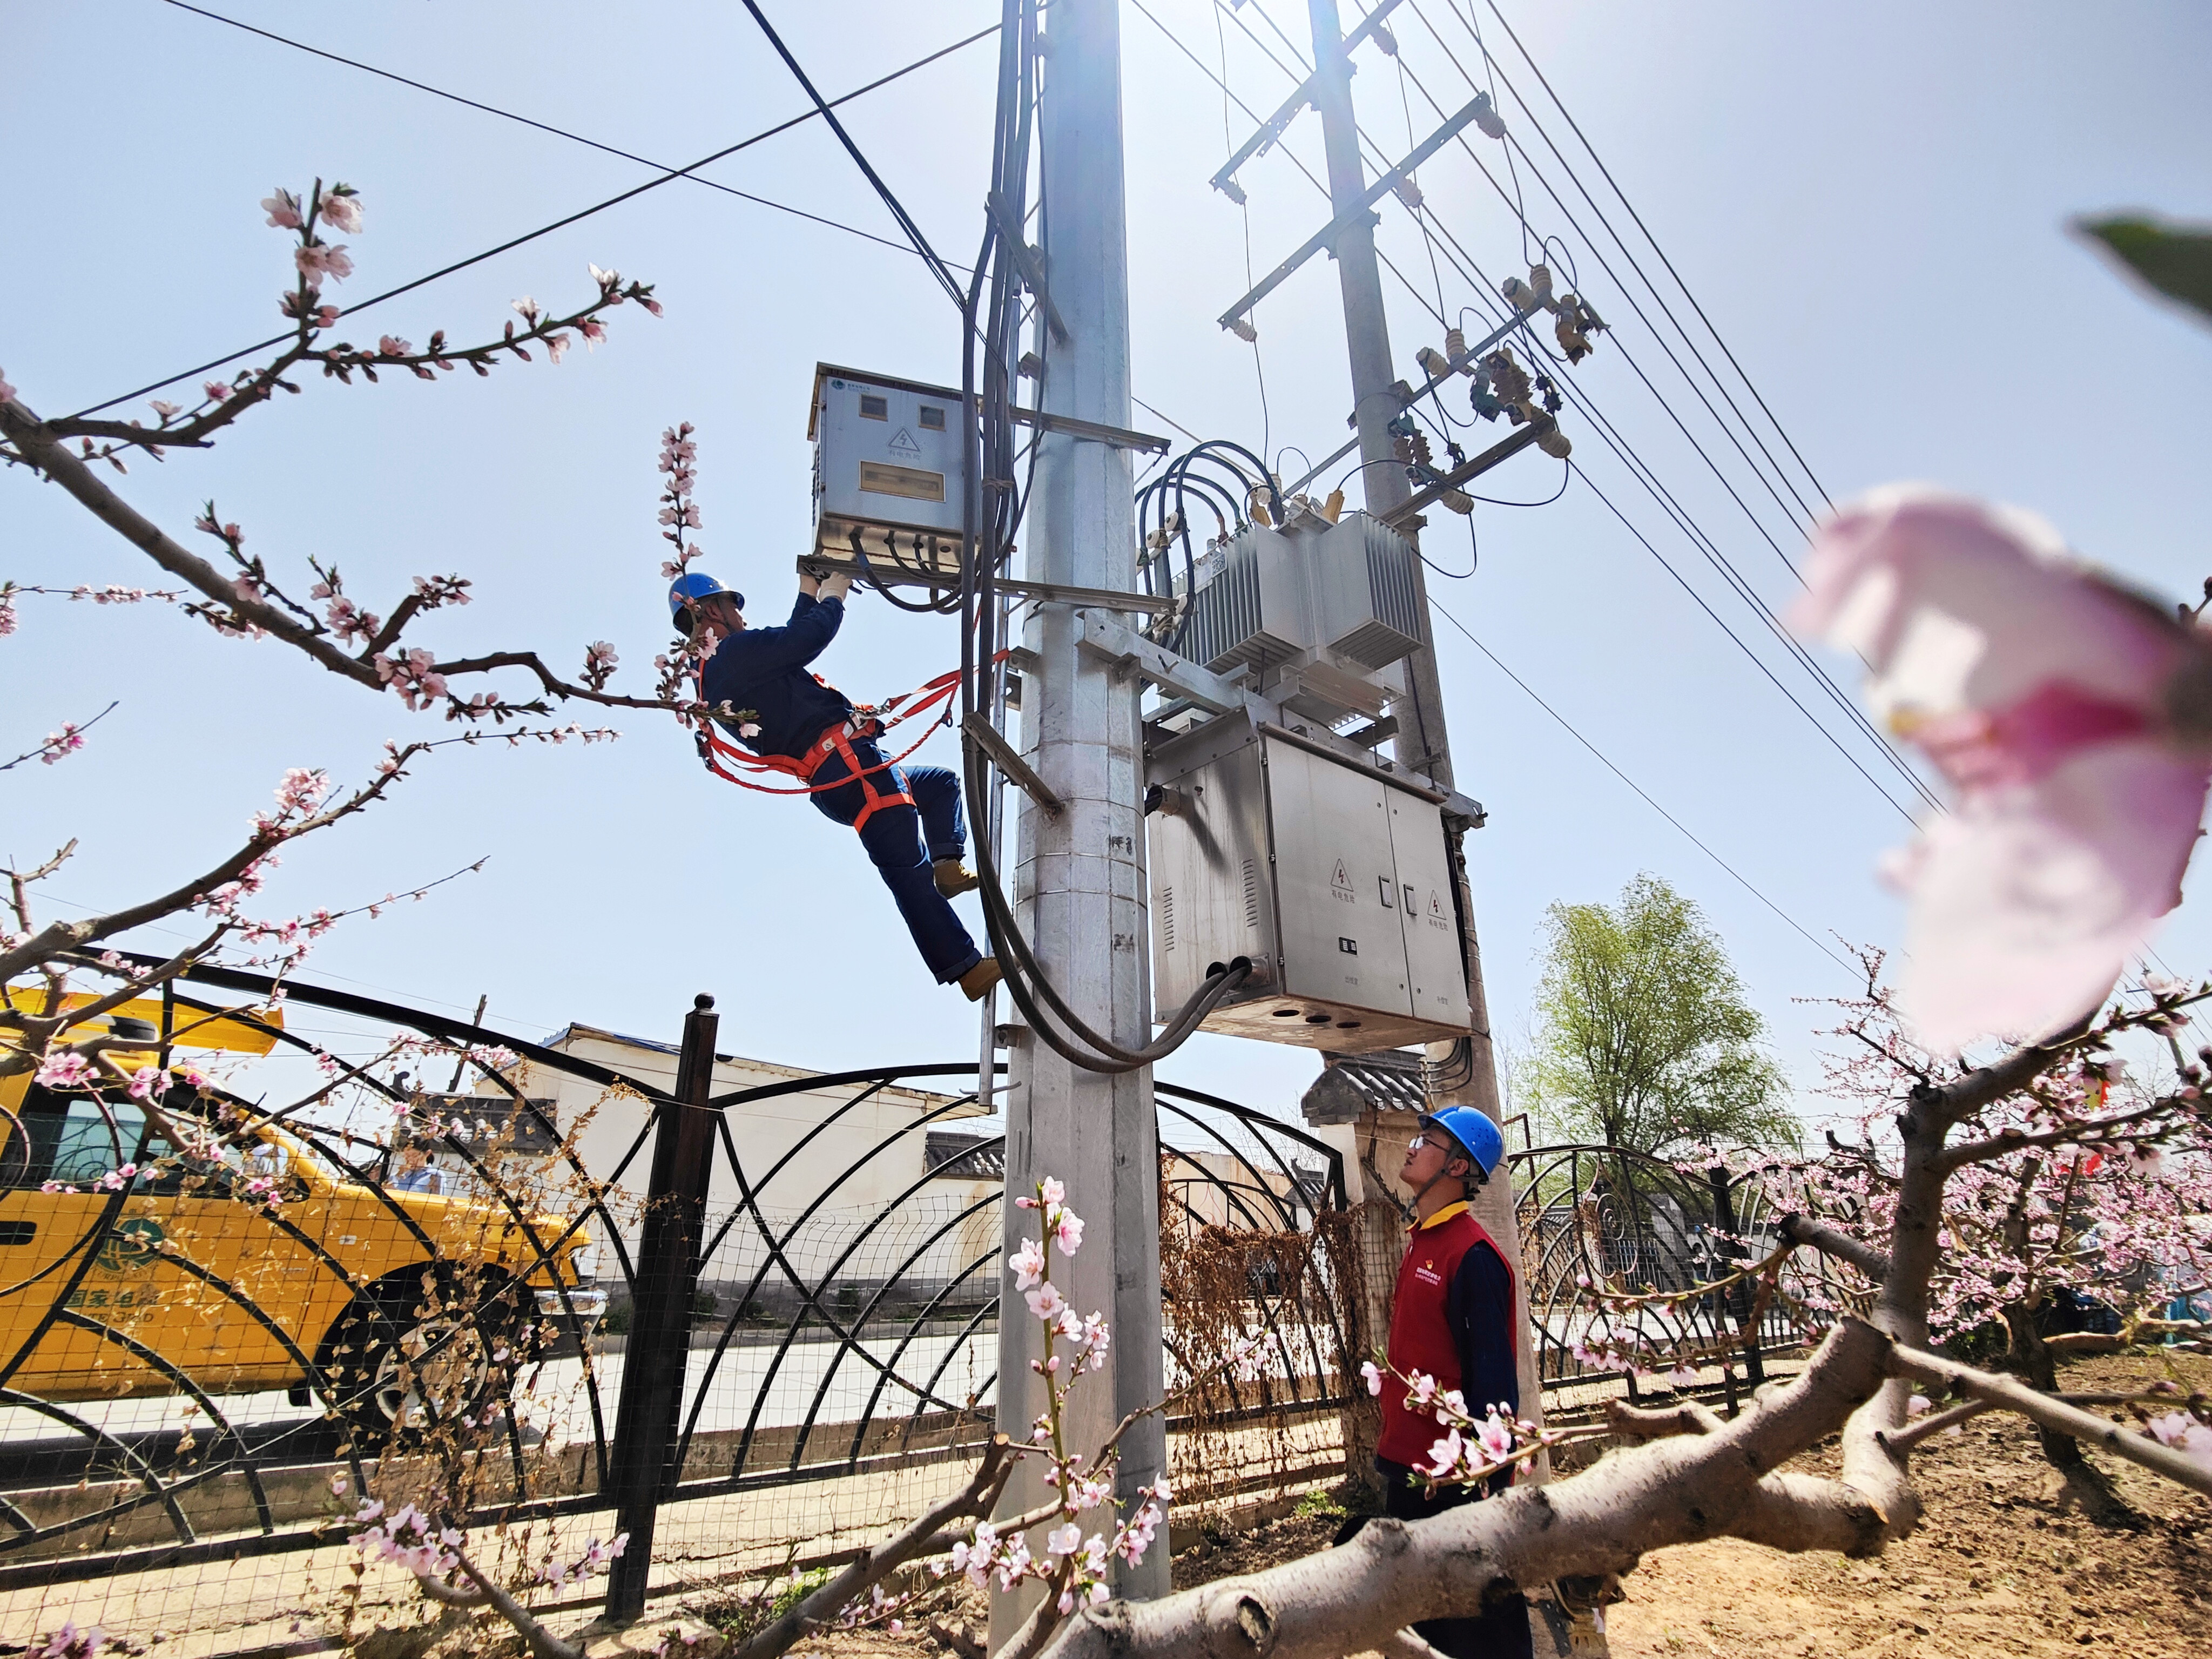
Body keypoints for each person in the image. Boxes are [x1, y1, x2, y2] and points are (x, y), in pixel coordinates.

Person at [671, 568, 1001, 1000]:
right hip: (850, 767)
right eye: (732, 605)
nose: (740, 615)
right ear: (712, 609)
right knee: (906, 871)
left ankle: (949, 869)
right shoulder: (731, 655)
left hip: (841, 773)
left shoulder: (718, 673)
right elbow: (802, 641)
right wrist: (834, 594)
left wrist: (808, 591)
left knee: (939, 785)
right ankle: (966, 968)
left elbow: (788, 643)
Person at [1374, 1105, 1532, 1659]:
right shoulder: (1422, 1239)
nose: (1413, 1146)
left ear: (1459, 1166)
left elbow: (1493, 1385)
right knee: (1423, 1623)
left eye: (1430, 1140)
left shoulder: (1473, 1257)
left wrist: (1492, 1479)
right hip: (1408, 1467)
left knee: (1476, 1622)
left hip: (1453, 1479)